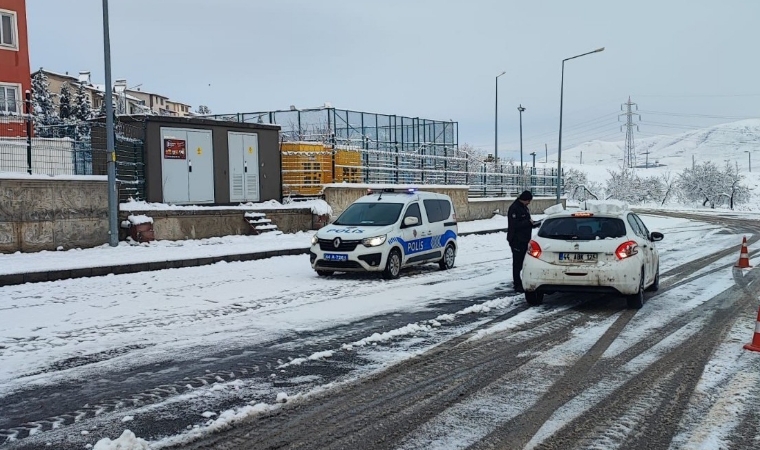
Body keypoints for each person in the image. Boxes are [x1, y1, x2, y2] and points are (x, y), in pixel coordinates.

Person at [507, 190, 540, 292]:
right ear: (524, 199)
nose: (529, 203)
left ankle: (520, 281)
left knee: (523, 262)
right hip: (517, 240)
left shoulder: (524, 208)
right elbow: (515, 225)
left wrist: (534, 223)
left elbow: (526, 221)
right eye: (528, 201)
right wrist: (528, 223)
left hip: (525, 239)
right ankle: (517, 284)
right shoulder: (514, 208)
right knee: (517, 263)